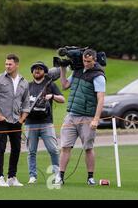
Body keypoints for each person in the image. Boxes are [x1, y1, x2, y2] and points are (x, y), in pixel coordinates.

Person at [55, 49, 106, 186]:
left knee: (88, 148)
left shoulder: (98, 76)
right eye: (84, 61)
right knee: (65, 147)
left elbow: (101, 99)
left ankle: (90, 177)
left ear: (95, 60)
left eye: (89, 61)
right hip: (71, 115)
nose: (86, 63)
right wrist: (63, 69)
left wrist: (96, 119)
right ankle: (60, 176)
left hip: (87, 117)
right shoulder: (77, 71)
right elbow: (65, 85)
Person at [0, 54, 30, 187]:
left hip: (16, 121)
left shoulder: (24, 82)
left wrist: (22, 119)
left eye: (10, 64)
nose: (7, 66)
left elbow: (26, 104)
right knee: (1, 147)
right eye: (6, 64)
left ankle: (12, 177)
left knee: (16, 148)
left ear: (17, 65)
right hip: (1, 120)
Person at [26, 61, 65, 184]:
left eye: (40, 69)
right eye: (35, 69)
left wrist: (52, 96)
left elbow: (62, 99)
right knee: (31, 151)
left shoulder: (50, 85)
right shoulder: (27, 86)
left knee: (53, 150)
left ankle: (57, 175)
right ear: (32, 72)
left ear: (44, 72)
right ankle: (32, 176)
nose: (37, 71)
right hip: (30, 123)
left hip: (46, 123)